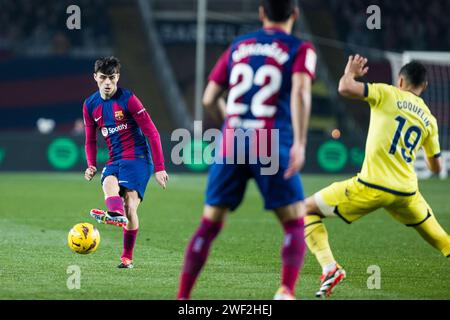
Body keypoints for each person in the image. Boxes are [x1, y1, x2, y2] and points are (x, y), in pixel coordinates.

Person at [176, 0, 316, 300]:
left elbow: (209, 99)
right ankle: (285, 291)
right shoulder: (300, 49)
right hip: (269, 140)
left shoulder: (239, 45)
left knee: (209, 224)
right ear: (295, 14)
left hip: (232, 140)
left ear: (261, 13)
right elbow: (302, 92)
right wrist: (301, 143)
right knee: (293, 222)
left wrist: (233, 122)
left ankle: (183, 299)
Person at [303, 55, 450, 298]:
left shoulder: (388, 93)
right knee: (443, 240)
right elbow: (436, 169)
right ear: (424, 87)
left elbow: (344, 88)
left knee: (304, 210)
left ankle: (330, 268)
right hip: (407, 194)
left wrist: (350, 72)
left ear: (400, 80)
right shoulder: (429, 120)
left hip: (372, 185)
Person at [83, 56, 169, 268]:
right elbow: (90, 139)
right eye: (103, 78)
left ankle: (126, 257)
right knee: (108, 181)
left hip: (138, 159)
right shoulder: (90, 104)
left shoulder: (129, 99)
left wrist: (159, 168)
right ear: (95, 77)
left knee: (130, 205)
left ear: (118, 77)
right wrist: (91, 164)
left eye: (112, 78)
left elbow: (153, 133)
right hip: (115, 159)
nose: (108, 83)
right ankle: (114, 213)